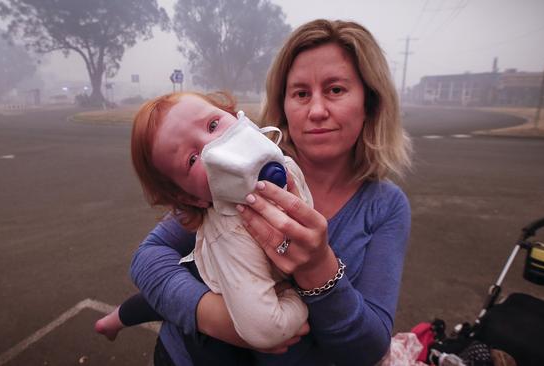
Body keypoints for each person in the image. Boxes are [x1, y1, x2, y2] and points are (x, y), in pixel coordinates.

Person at [130, 18, 412, 366]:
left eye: (336, 89)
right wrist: (215, 317)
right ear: (284, 104)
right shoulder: (235, 175)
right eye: (301, 93)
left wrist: (318, 268)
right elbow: (148, 257)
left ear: (370, 101)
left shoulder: (384, 206)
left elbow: (368, 348)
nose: (317, 110)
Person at [96, 91, 312, 349]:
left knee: (152, 302)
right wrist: (297, 299)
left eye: (212, 125)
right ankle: (113, 321)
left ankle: (113, 320)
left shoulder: (287, 165)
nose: (214, 146)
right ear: (190, 197)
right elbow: (267, 330)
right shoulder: (229, 234)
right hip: (212, 280)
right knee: (174, 319)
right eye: (192, 159)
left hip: (245, 280)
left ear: (236, 117)